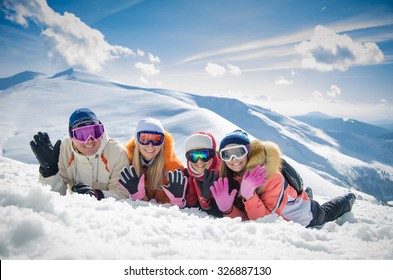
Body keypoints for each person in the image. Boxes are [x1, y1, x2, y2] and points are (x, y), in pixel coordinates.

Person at [210, 129, 356, 228]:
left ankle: (346, 201)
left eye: (238, 152)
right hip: (285, 202)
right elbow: (246, 217)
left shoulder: (271, 177)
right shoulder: (234, 177)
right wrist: (227, 209)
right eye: (227, 154)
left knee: (325, 214)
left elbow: (265, 221)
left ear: (248, 152)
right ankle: (304, 195)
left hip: (302, 216)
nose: (233, 159)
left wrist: (249, 196)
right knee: (295, 197)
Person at [30, 108, 130, 200]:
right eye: (81, 135)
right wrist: (50, 173)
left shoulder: (116, 153)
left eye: (95, 132)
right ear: (72, 137)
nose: (89, 140)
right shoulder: (66, 149)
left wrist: (97, 195)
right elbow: (54, 197)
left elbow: (122, 194)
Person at [118, 118, 187, 207]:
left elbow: (180, 212)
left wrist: (177, 201)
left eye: (156, 140)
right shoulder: (127, 162)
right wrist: (138, 196)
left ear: (163, 142)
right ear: (137, 141)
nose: (150, 145)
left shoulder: (173, 167)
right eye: (144, 139)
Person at [183, 132, 223, 217]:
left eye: (204, 155)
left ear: (213, 155)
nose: (199, 161)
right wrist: (178, 200)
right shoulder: (187, 177)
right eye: (193, 156)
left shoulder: (223, 174)